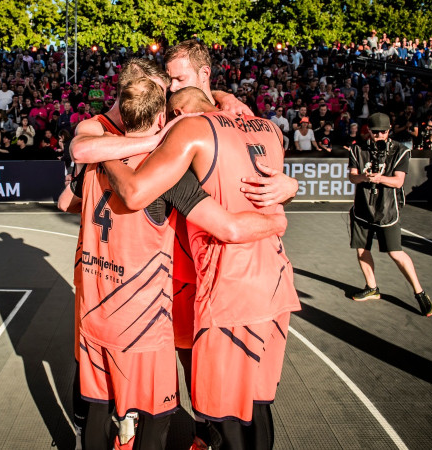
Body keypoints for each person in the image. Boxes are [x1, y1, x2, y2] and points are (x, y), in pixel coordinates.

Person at [58, 78, 287, 450]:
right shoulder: (172, 172)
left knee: (101, 406)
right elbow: (227, 225)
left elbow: (66, 201)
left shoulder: (97, 154)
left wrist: (102, 155)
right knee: (164, 416)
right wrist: (278, 218)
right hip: (147, 315)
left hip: (96, 304)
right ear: (164, 117)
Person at [348, 113, 432, 316]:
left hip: (387, 209)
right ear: (368, 130)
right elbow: (352, 177)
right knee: (362, 249)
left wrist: (379, 179)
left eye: (383, 132)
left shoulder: (400, 151)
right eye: (375, 132)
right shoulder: (357, 149)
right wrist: (363, 176)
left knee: (395, 252)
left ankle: (419, 292)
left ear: (389, 131)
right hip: (362, 208)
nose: (379, 135)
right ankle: (372, 287)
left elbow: (398, 182)